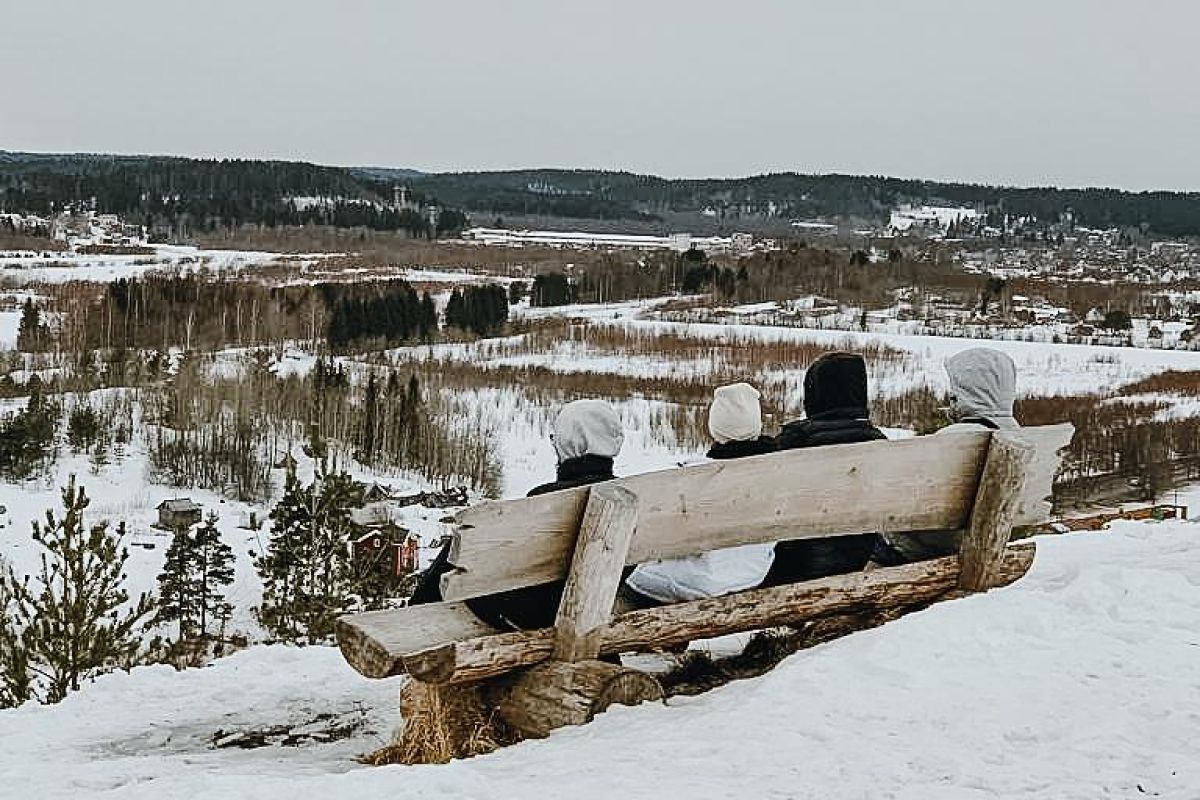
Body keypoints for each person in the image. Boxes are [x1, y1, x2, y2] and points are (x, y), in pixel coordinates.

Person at [409, 399, 624, 630]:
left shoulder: (547, 500)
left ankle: (411, 617)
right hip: (595, 605)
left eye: (557, 439)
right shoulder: (630, 494)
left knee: (463, 543)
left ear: (570, 442)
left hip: (536, 615)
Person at [623, 383, 778, 604]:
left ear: (715, 426)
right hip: (751, 574)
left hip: (691, 582)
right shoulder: (776, 471)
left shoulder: (689, 477)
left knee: (634, 582)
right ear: (756, 423)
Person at [873, 347, 1021, 565]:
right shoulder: (1019, 437)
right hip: (981, 545)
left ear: (967, 392)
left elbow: (903, 507)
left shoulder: (950, 442)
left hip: (919, 553)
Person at [762, 352, 887, 585]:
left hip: (797, 567)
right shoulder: (879, 442)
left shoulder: (795, 442)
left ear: (814, 394)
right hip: (860, 560)